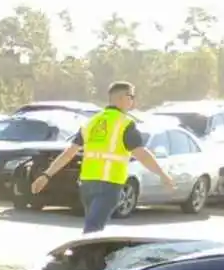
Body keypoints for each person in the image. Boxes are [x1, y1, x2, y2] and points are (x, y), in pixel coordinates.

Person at [29, 82, 172, 234]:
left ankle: (87, 256)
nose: (133, 101)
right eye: (131, 97)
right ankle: (81, 256)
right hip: (109, 184)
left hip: (87, 184)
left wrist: (47, 175)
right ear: (121, 98)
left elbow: (69, 153)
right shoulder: (125, 123)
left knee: (93, 226)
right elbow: (141, 154)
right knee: (93, 230)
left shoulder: (92, 122)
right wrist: (162, 174)